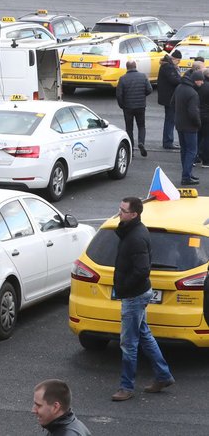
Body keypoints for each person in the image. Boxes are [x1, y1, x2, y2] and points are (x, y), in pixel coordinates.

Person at [111, 196, 175, 401]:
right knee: (144, 336)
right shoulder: (131, 231)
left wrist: (123, 287)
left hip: (134, 296)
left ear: (134, 214)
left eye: (123, 210)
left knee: (128, 343)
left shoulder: (136, 237)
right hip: (137, 293)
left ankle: (126, 387)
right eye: (120, 208)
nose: (119, 212)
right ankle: (163, 375)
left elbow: (142, 270)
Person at [116, 60, 152, 157]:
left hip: (128, 107)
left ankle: (131, 149)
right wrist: (142, 96)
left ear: (127, 67)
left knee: (129, 128)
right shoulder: (143, 76)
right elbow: (149, 90)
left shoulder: (123, 79)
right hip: (140, 106)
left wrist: (121, 105)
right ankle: (141, 142)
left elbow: (119, 94)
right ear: (135, 66)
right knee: (141, 126)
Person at [172, 68, 202, 185]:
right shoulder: (193, 93)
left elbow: (172, 102)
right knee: (192, 151)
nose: (202, 83)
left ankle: (187, 173)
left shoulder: (179, 88)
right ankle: (186, 176)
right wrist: (198, 123)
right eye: (201, 81)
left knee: (184, 150)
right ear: (195, 80)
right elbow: (193, 112)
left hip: (179, 124)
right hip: (190, 126)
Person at [157, 49, 182, 149]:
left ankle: (168, 141)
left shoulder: (167, 65)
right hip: (169, 97)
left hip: (167, 96)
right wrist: (182, 79)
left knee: (170, 119)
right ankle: (168, 141)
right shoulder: (168, 67)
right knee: (170, 120)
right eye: (178, 60)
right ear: (174, 59)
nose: (179, 62)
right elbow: (174, 80)